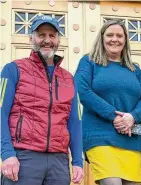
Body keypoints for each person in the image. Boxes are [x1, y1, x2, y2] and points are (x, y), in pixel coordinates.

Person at [0, 15, 84, 185]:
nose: (47, 40)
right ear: (31, 38)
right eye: (41, 35)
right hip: (23, 157)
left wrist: (77, 161)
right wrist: (7, 154)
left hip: (59, 162)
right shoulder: (13, 70)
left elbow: (75, 121)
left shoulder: (69, 79)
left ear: (58, 40)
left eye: (52, 35)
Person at [74, 20, 141, 185]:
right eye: (109, 35)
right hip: (100, 136)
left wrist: (132, 117)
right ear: (102, 38)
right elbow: (83, 91)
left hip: (130, 139)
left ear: (125, 40)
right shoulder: (89, 62)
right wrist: (113, 116)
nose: (114, 39)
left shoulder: (134, 69)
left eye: (119, 36)